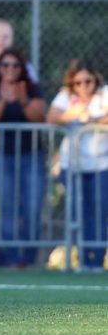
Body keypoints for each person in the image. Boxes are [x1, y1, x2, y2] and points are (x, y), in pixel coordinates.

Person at [0, 48, 47, 267]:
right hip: (3, 158)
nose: (10, 69)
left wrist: (23, 100)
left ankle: (28, 259)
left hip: (32, 157)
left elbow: (40, 117)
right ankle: (10, 259)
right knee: (6, 206)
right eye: (5, 65)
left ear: (22, 68)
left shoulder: (33, 89)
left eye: (15, 65)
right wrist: (2, 99)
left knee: (32, 206)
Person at [47, 59, 108, 270]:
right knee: (77, 213)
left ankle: (96, 260)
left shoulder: (104, 94)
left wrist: (91, 119)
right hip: (71, 165)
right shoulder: (66, 97)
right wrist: (71, 114)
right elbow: (52, 117)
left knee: (98, 213)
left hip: (100, 165)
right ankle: (81, 258)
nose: (83, 87)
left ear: (95, 79)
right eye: (77, 83)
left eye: (87, 81)